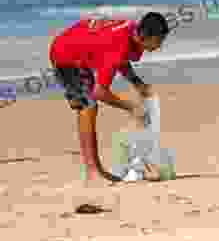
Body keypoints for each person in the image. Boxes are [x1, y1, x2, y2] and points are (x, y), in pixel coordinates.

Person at [49, 12, 169, 186]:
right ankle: (93, 172)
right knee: (88, 106)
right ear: (144, 36)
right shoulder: (118, 45)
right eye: (159, 41)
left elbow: (120, 59)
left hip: (81, 50)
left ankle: (74, 96)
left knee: (84, 99)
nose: (159, 46)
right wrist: (131, 107)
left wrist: (137, 83)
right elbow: (100, 91)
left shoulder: (131, 32)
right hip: (65, 56)